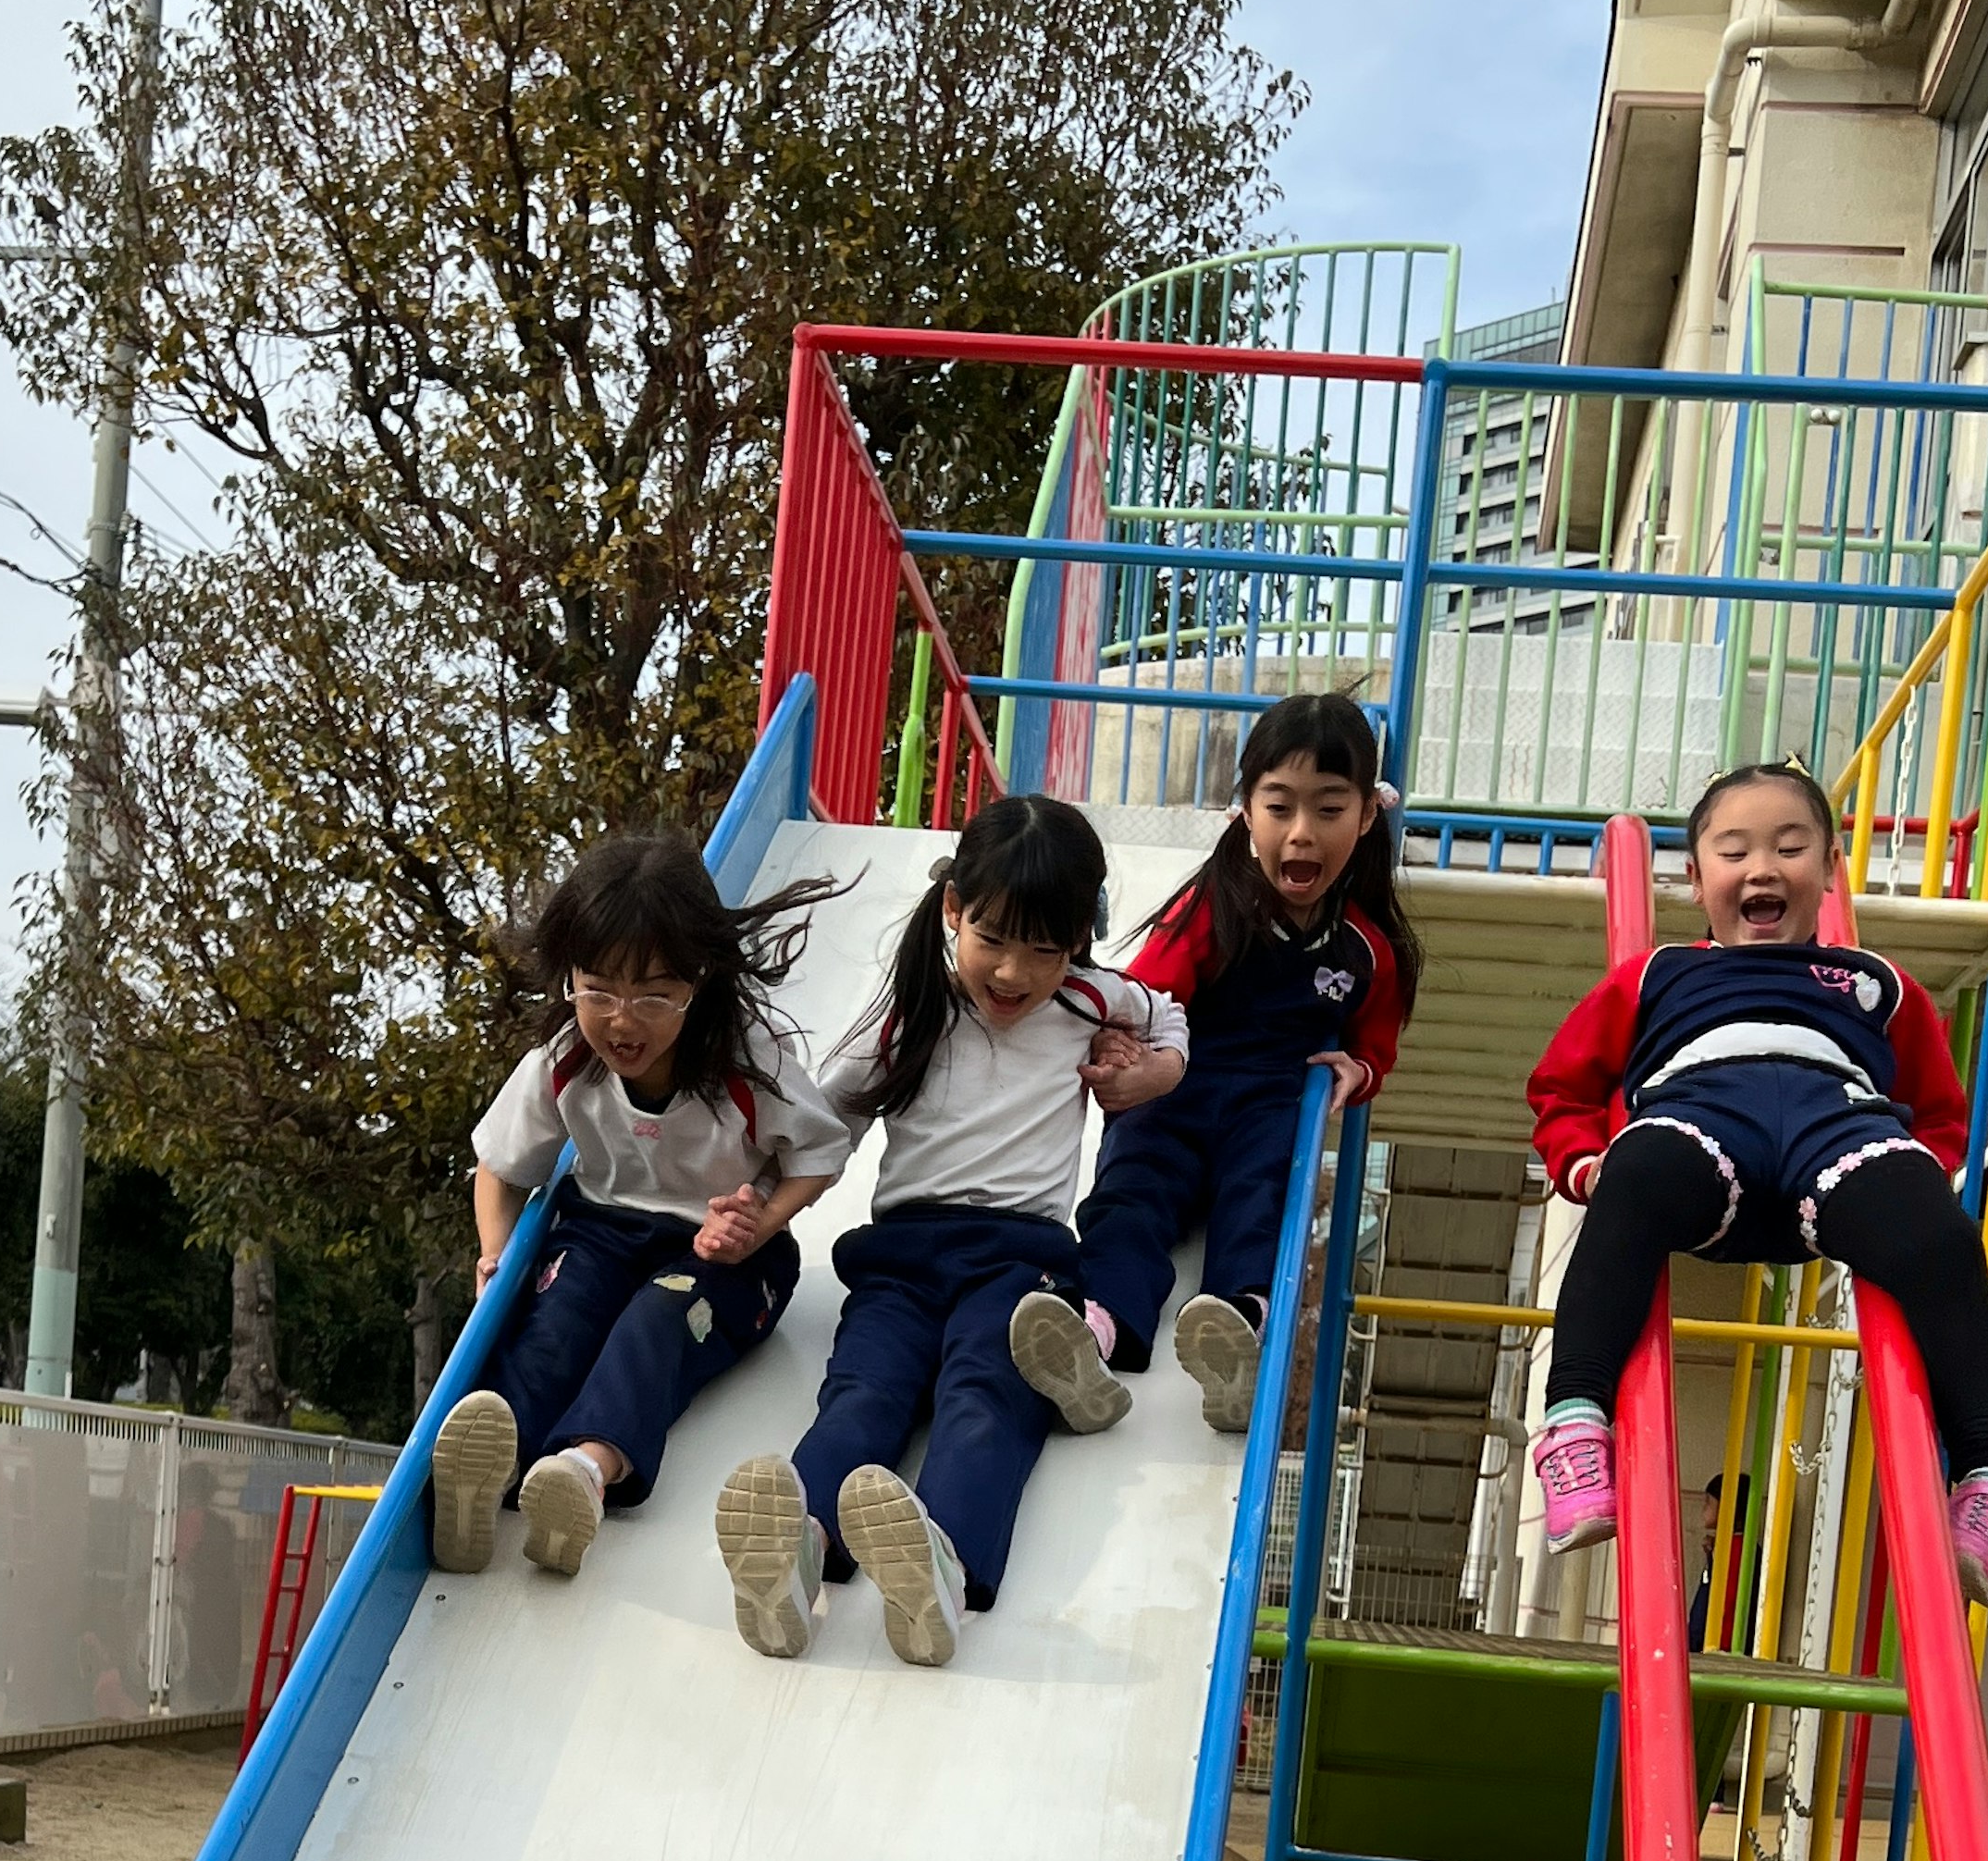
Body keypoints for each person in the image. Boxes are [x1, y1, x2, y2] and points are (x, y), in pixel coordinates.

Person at [1522, 758, 1988, 1604]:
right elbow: (1563, 1085)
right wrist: (1585, 1160)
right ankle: (1576, 1420)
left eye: (1791, 848)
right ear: (1697, 880)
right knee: (1638, 1171)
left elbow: (1937, 1108)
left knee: (1939, 1232)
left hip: (1837, 1129)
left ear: (1829, 870)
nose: (1762, 868)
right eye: (1735, 851)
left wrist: (1917, 1177)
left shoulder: (1876, 984)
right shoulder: (1658, 975)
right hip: (1699, 1117)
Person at [712, 791, 1185, 1670]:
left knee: (986, 1395)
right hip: (900, 1263)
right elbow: (824, 1123)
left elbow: (1166, 1015)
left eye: (1045, 949)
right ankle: (799, 1554)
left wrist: (1154, 1074)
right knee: (863, 1395)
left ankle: (942, 1565)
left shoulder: (1090, 1002)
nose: (1013, 972)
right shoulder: (911, 1012)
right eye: (994, 939)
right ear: (954, 910)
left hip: (1019, 1262)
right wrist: (758, 1199)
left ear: (1078, 939)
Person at [434, 832, 853, 1581]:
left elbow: (821, 1156)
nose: (622, 1021)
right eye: (597, 990)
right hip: (599, 1232)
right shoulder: (566, 1058)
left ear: (698, 981)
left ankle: (585, 1474)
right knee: (551, 1328)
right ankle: (487, 1476)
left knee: (655, 1324)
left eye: (653, 996)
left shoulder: (746, 1063)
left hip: (718, 1254)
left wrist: (762, 1221)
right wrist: (495, 1253)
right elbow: (498, 1169)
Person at [1068, 690, 1417, 1435]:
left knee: (1262, 1198)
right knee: (1133, 1192)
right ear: (1246, 811)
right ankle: (1096, 1329)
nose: (1302, 833)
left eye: (1328, 810)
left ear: (1365, 815)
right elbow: (1148, 993)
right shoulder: (1216, 907)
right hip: (1179, 1090)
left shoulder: (1367, 950)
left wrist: (1358, 1072)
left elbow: (1375, 1039)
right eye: (1280, 806)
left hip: (1269, 1104)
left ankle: (1240, 1333)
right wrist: (1125, 1051)